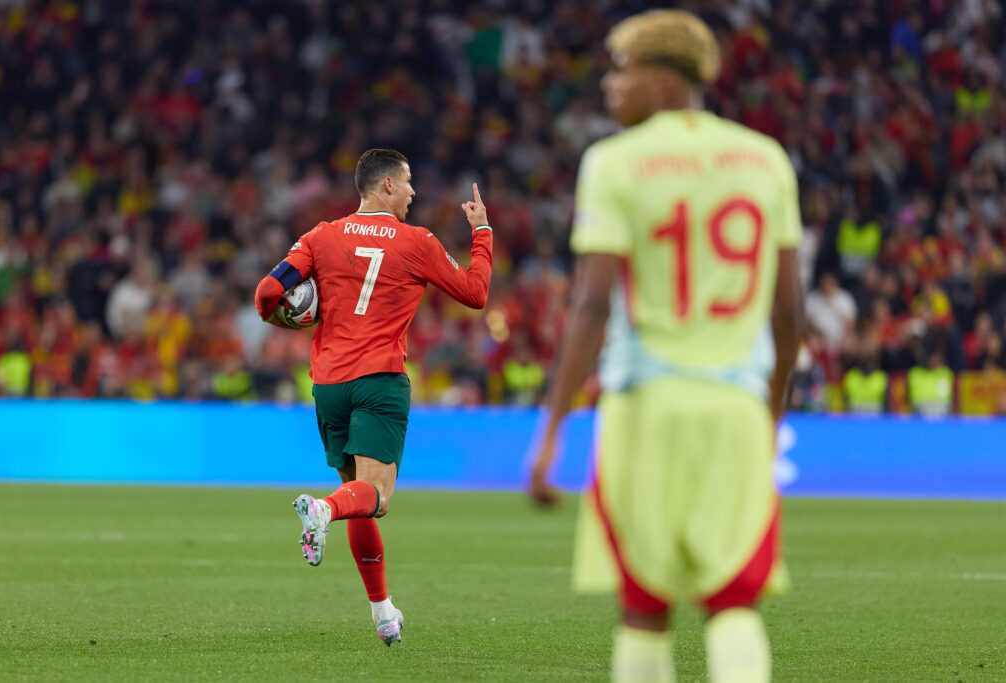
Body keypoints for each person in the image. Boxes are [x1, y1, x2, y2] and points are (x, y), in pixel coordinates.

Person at [528, 10, 804, 682]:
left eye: (622, 71)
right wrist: (769, 413)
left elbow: (592, 304)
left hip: (643, 406)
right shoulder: (765, 159)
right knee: (736, 600)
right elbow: (790, 312)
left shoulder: (615, 162)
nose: (609, 87)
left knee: (645, 603)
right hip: (736, 406)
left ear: (662, 76)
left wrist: (553, 425)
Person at [254, 149, 493, 645]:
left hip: (329, 384)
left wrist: (289, 318)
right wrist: (482, 233)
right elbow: (475, 293)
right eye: (407, 183)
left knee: (356, 498)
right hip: (380, 379)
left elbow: (267, 293)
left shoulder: (320, 236)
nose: (413, 192)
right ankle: (320, 511)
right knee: (375, 498)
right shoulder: (417, 241)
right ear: (385, 186)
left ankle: (383, 612)